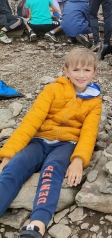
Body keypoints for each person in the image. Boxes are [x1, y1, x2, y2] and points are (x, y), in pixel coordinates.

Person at [0, 48, 102, 238]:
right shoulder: (53, 89)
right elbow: (31, 121)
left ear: (94, 72)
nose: (81, 75)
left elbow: (89, 133)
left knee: (52, 171)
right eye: (76, 70)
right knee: (14, 166)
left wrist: (79, 160)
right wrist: (7, 155)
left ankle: (36, 225)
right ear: (66, 70)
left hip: (67, 143)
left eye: (87, 70)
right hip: (39, 140)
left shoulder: (94, 100)